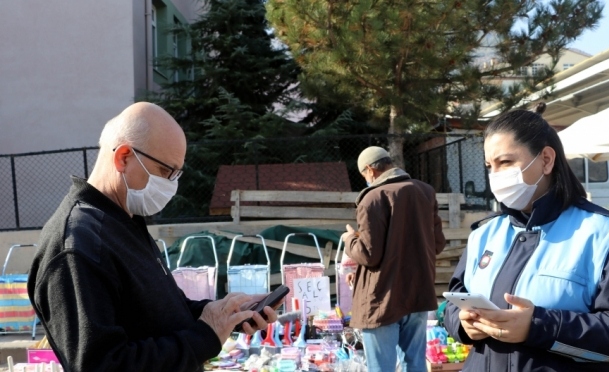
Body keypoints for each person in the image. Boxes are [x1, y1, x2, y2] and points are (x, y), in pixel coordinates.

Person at [28, 102, 279, 372]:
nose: (172, 185)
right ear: (123, 157)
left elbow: (157, 312)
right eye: (165, 171)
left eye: (177, 174)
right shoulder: (77, 245)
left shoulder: (123, 220)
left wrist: (221, 313)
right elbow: (102, 365)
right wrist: (205, 335)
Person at [444, 109, 609, 371]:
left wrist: (538, 325)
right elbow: (454, 301)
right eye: (490, 166)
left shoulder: (608, 236)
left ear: (545, 159)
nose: (495, 176)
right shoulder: (484, 234)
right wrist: (462, 323)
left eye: (506, 162)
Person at [341, 146, 446, 372]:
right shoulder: (425, 191)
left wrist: (350, 240)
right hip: (418, 293)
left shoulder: (372, 198)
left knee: (382, 368)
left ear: (370, 170)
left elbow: (369, 255)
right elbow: (437, 244)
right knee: (415, 364)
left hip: (382, 300)